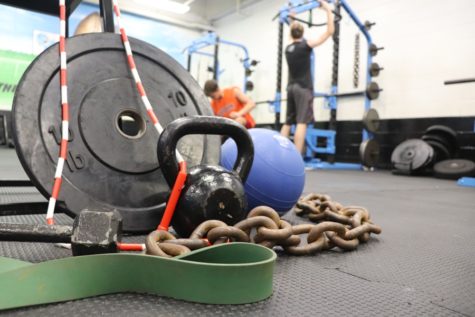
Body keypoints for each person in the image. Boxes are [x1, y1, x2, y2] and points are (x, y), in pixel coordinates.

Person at [280, 0, 334, 154]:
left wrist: (292, 19)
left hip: (290, 88)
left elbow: (293, 33)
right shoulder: (306, 46)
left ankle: (281, 154)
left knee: (288, 122)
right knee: (301, 122)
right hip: (303, 88)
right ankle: (297, 157)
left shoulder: (288, 48)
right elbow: (329, 32)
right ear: (303, 34)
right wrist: (328, 10)